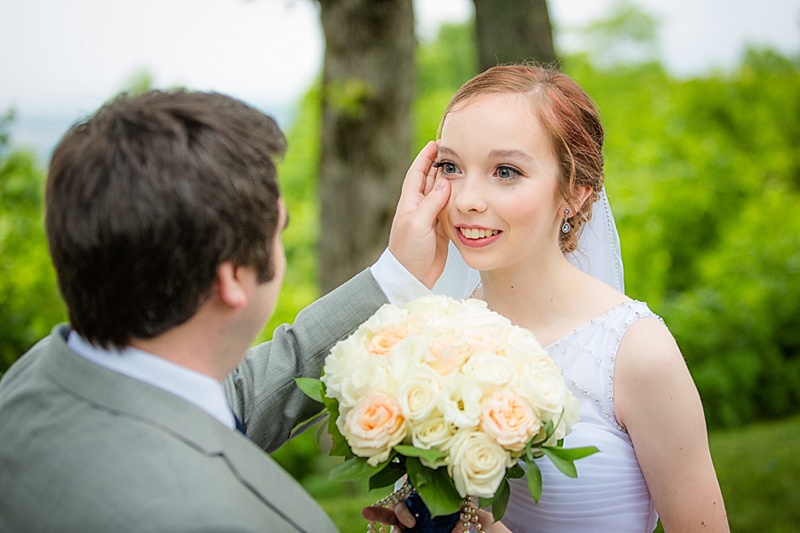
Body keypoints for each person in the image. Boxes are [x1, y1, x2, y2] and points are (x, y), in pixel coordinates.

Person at [0, 90, 451, 532]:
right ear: (232, 277)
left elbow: (235, 399)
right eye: (279, 229)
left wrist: (394, 279)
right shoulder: (215, 518)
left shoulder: (36, 378)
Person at [415, 64, 729, 532]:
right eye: (451, 167)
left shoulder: (636, 353)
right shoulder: (432, 337)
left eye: (505, 171)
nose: (466, 199)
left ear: (575, 194)